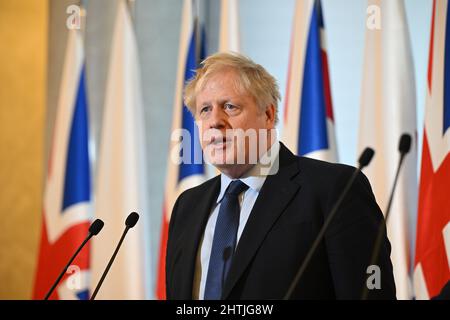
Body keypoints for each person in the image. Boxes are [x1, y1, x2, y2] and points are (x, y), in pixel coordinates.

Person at [165, 51, 396, 300]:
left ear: (268, 115)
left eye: (230, 107)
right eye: (205, 110)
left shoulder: (334, 190)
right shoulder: (187, 206)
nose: (215, 122)